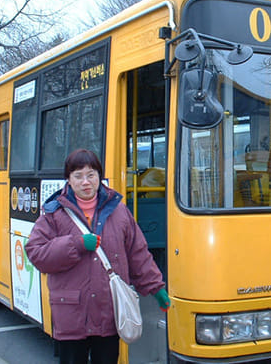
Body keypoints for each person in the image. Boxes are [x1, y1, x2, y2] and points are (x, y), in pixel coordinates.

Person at [25, 149, 170, 364]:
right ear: (68, 180)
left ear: (99, 177)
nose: (86, 182)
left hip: (108, 314)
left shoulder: (119, 212)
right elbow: (36, 252)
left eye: (91, 174)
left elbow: (137, 253)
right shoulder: (54, 214)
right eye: (78, 175)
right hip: (71, 316)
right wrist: (76, 244)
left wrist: (156, 288)